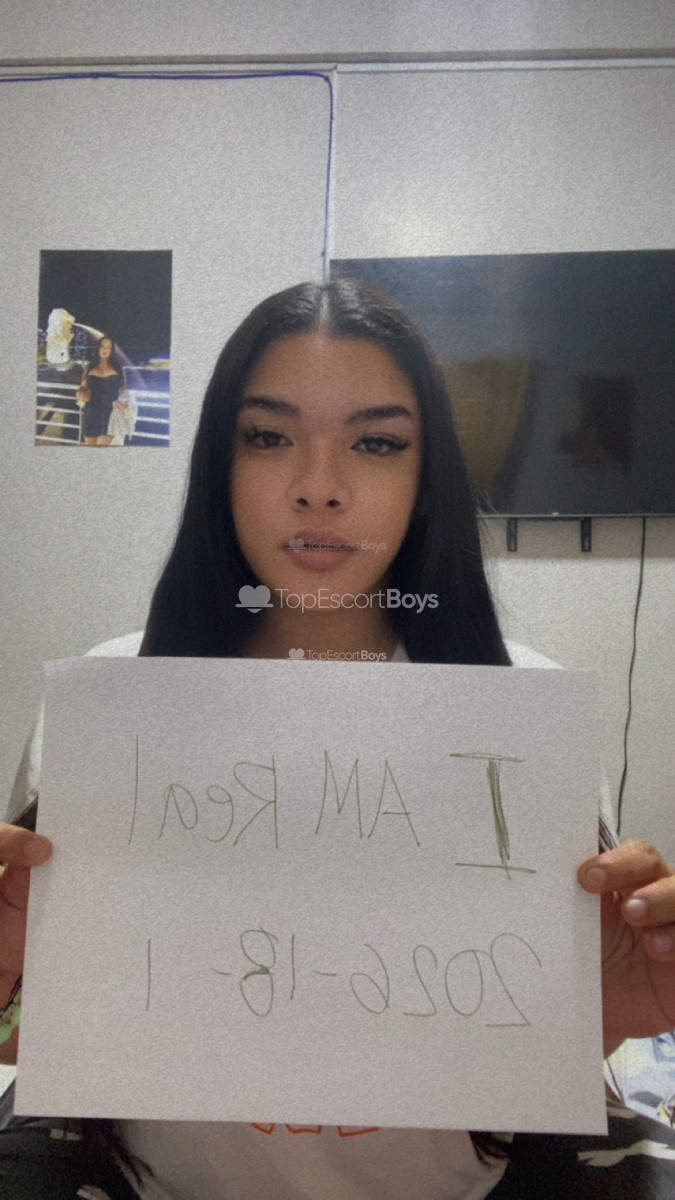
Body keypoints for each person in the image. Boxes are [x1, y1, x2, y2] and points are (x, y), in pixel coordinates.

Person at [3, 279, 675, 1199]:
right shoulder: (107, 701)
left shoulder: (521, 716)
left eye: (376, 442)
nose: (318, 487)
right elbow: (31, 1036)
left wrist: (613, 1010)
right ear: (219, 462)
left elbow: (521, 1044)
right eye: (268, 436)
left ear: (425, 477)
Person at [76, 335, 127, 446]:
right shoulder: (90, 367)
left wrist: (124, 402)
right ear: (98, 348)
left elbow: (124, 390)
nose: (105, 349)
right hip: (91, 412)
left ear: (112, 351)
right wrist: (79, 394)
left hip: (110, 413)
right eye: (102, 346)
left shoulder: (118, 368)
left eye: (108, 347)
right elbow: (82, 387)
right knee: (90, 449)